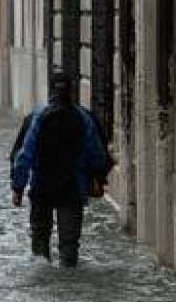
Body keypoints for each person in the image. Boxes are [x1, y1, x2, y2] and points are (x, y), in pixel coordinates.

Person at [11, 72, 110, 268]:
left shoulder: (37, 117)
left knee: (40, 246)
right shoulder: (84, 117)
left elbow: (24, 155)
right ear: (72, 91)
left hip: (42, 188)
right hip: (72, 189)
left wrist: (18, 188)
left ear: (50, 90)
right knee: (69, 248)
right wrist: (98, 179)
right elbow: (97, 153)